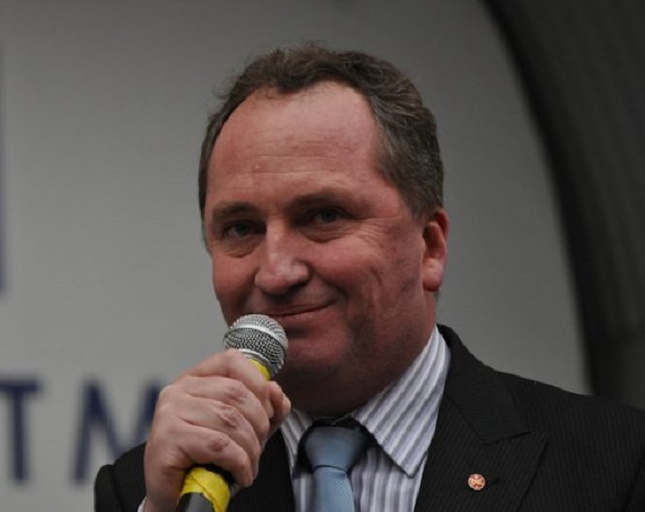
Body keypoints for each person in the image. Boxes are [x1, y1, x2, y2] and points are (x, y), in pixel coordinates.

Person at [94, 45, 645, 511]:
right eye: (241, 228)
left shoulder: (614, 465)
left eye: (324, 216)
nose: (277, 271)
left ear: (430, 246)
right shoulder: (151, 491)